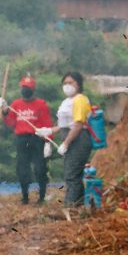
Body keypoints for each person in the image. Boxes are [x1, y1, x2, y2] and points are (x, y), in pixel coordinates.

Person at [41, 71, 93, 206]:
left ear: (78, 84)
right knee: (72, 173)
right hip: (71, 139)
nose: (67, 85)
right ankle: (78, 204)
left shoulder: (80, 99)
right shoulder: (66, 102)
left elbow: (78, 125)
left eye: (71, 82)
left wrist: (65, 143)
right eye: (65, 83)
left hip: (79, 140)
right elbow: (63, 125)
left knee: (72, 174)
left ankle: (71, 205)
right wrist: (49, 130)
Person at [0, 76, 52, 204]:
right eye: (23, 87)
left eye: (27, 87)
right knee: (22, 168)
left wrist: (48, 142)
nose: (25, 89)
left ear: (32, 89)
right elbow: (11, 123)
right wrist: (5, 111)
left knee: (40, 168)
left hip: (37, 139)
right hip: (21, 139)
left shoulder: (41, 104)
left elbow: (47, 123)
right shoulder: (16, 104)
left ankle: (42, 196)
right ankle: (25, 196)